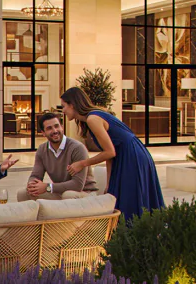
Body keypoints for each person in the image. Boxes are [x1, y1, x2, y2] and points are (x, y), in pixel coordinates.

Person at [60, 86, 163, 220]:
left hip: (131, 156)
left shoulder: (93, 119)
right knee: (117, 195)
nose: (63, 111)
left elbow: (110, 152)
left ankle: (135, 231)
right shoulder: (92, 118)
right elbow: (109, 153)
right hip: (128, 154)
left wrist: (82, 163)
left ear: (72, 105)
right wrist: (109, 183)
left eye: (64, 106)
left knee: (130, 198)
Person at [24, 110, 95, 199]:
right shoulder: (42, 150)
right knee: (24, 194)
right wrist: (32, 185)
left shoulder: (77, 148)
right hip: (61, 192)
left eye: (57, 126)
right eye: (49, 128)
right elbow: (36, 175)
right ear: (43, 133)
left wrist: (48, 187)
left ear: (62, 127)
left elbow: (77, 185)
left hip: (85, 193)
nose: (55, 131)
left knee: (68, 195)